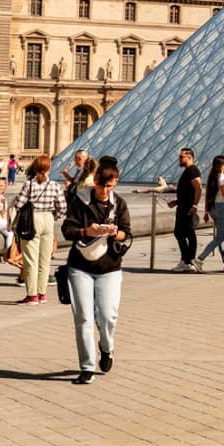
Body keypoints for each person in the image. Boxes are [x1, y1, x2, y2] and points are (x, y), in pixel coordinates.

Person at [63, 156, 132, 385]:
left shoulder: (119, 204)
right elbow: (67, 229)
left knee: (108, 315)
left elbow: (126, 233)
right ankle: (87, 367)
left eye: (109, 186)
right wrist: (86, 232)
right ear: (95, 181)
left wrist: (114, 233)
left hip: (109, 266)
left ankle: (106, 347)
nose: (104, 191)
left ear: (116, 182)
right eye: (101, 186)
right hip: (80, 265)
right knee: (83, 317)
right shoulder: (80, 200)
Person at [17, 155, 66, 304]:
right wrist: (53, 216)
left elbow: (19, 204)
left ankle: (32, 295)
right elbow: (62, 207)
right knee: (45, 259)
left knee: (31, 260)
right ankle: (42, 293)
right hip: (48, 220)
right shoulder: (55, 185)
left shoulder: (29, 185)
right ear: (49, 168)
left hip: (32, 220)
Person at [195, 156, 224, 272]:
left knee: (221, 236)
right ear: (221, 165)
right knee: (220, 237)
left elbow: (208, 196)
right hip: (222, 208)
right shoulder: (223, 178)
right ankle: (200, 259)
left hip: (213, 208)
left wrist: (206, 212)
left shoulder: (212, 177)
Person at [169, 146, 203, 273]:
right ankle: (187, 260)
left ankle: (188, 261)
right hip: (183, 206)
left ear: (189, 157)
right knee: (181, 232)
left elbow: (198, 188)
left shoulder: (192, 171)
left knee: (186, 233)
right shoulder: (188, 171)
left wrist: (195, 205)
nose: (179, 159)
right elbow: (188, 191)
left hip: (187, 208)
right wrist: (176, 202)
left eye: (181, 157)